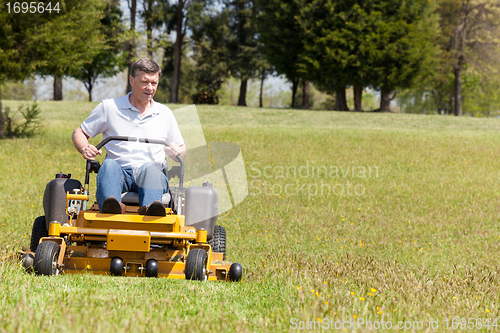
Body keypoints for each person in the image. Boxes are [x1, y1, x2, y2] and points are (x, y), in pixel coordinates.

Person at [72, 58, 187, 216]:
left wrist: (177, 151)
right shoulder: (109, 107)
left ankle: (151, 210)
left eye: (154, 83)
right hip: (119, 172)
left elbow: (182, 149)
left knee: (150, 169)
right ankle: (111, 206)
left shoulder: (164, 113)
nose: (150, 88)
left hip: (151, 173)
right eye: (144, 82)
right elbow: (80, 133)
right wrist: (85, 147)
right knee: (109, 165)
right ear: (132, 80)